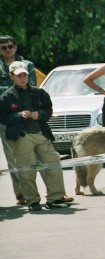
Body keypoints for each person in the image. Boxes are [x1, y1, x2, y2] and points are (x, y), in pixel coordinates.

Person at [0, 61, 71, 211]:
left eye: (24, 74)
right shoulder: (6, 97)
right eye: (19, 75)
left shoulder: (39, 92)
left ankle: (55, 198)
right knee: (26, 169)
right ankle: (32, 201)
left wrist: (40, 115)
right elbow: (3, 117)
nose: (22, 78)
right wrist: (19, 115)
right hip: (22, 136)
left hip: (40, 132)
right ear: (12, 76)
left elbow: (48, 110)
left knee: (53, 163)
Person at [1, 35, 37, 205]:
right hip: (5, 115)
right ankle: (20, 193)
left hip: (26, 114)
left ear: (15, 47)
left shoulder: (28, 65)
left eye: (10, 46)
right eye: (3, 47)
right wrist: (15, 85)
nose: (7, 49)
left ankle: (52, 192)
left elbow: (31, 86)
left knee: (36, 153)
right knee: (12, 157)